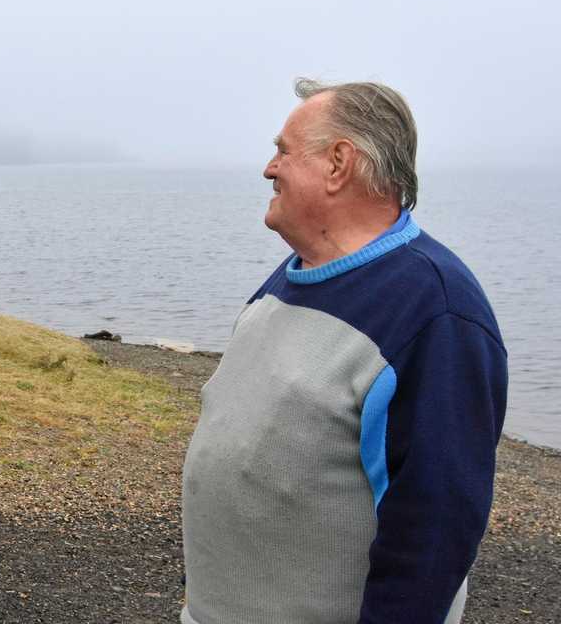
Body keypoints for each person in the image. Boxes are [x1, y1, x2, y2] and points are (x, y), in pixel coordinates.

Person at [180, 79, 508, 624]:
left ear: (338, 163)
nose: (268, 168)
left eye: (283, 151)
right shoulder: (288, 281)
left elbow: (435, 528)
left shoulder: (435, 312)